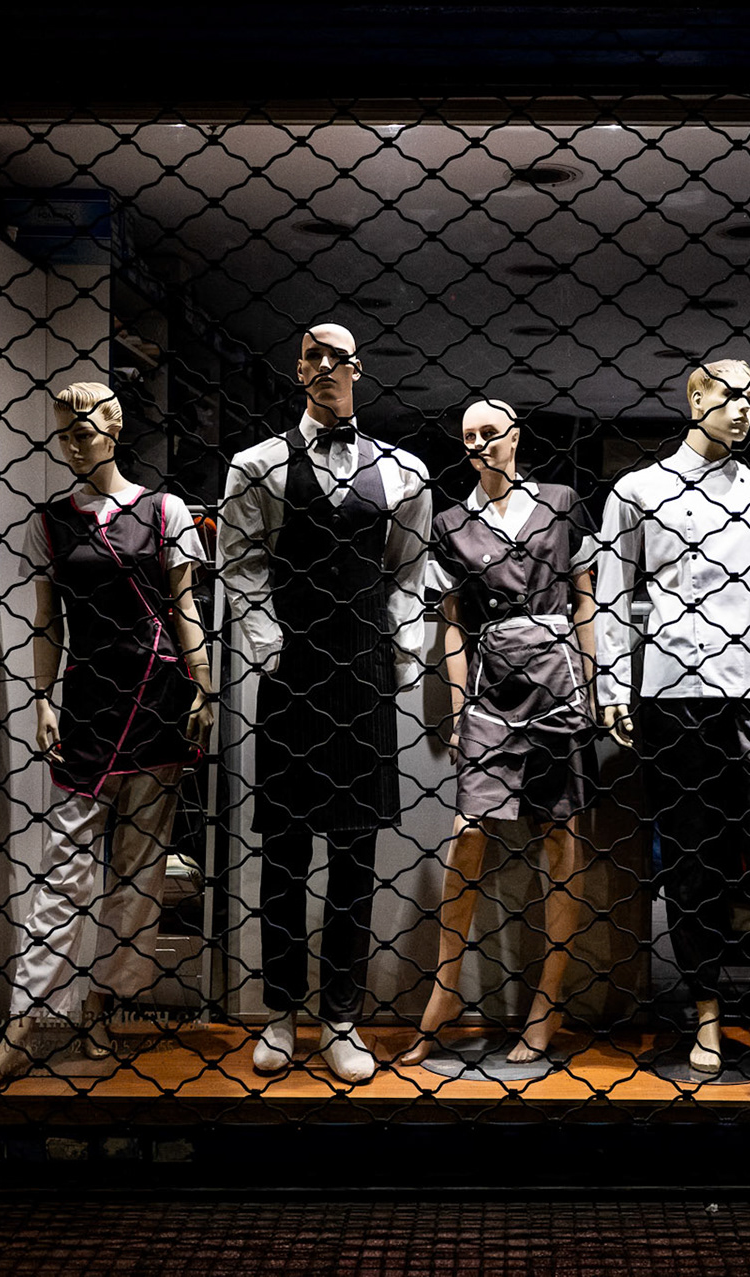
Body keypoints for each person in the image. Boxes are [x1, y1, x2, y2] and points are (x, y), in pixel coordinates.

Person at [0, 382, 213, 1094]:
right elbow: (47, 621)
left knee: (140, 867)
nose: (72, 445)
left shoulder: (163, 511)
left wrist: (205, 686)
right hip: (90, 700)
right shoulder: (50, 523)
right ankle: (22, 1026)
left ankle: (102, 1003)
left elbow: (184, 605)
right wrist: (41, 697)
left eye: (84, 431)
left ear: (115, 429)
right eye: (64, 434)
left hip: (159, 693)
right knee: (64, 867)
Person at [596, 359, 750, 1073]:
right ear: (695, 398)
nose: (744, 409)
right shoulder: (639, 490)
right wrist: (613, 685)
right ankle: (703, 1014)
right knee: (691, 862)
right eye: (729, 396)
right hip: (673, 697)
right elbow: (612, 595)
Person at [216, 323, 432, 1084]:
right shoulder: (257, 464)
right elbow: (238, 561)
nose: (327, 366)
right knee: (283, 852)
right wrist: (269, 644)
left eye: (339, 356)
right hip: (293, 673)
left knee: (355, 858)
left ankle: (341, 1017)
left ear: (358, 370)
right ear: (298, 367)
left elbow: (409, 572)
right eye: (313, 354)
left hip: (364, 673)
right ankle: (280, 1013)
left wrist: (403, 656)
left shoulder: (405, 471)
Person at [397, 400, 596, 1069]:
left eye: (490, 431)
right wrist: (458, 710)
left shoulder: (561, 502)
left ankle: (547, 1004)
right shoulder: (451, 522)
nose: (480, 442)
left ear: (515, 436)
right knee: (468, 832)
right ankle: (445, 990)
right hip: (492, 687)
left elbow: (585, 598)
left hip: (557, 680)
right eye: (469, 435)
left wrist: (595, 685)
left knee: (559, 835)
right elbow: (452, 624)